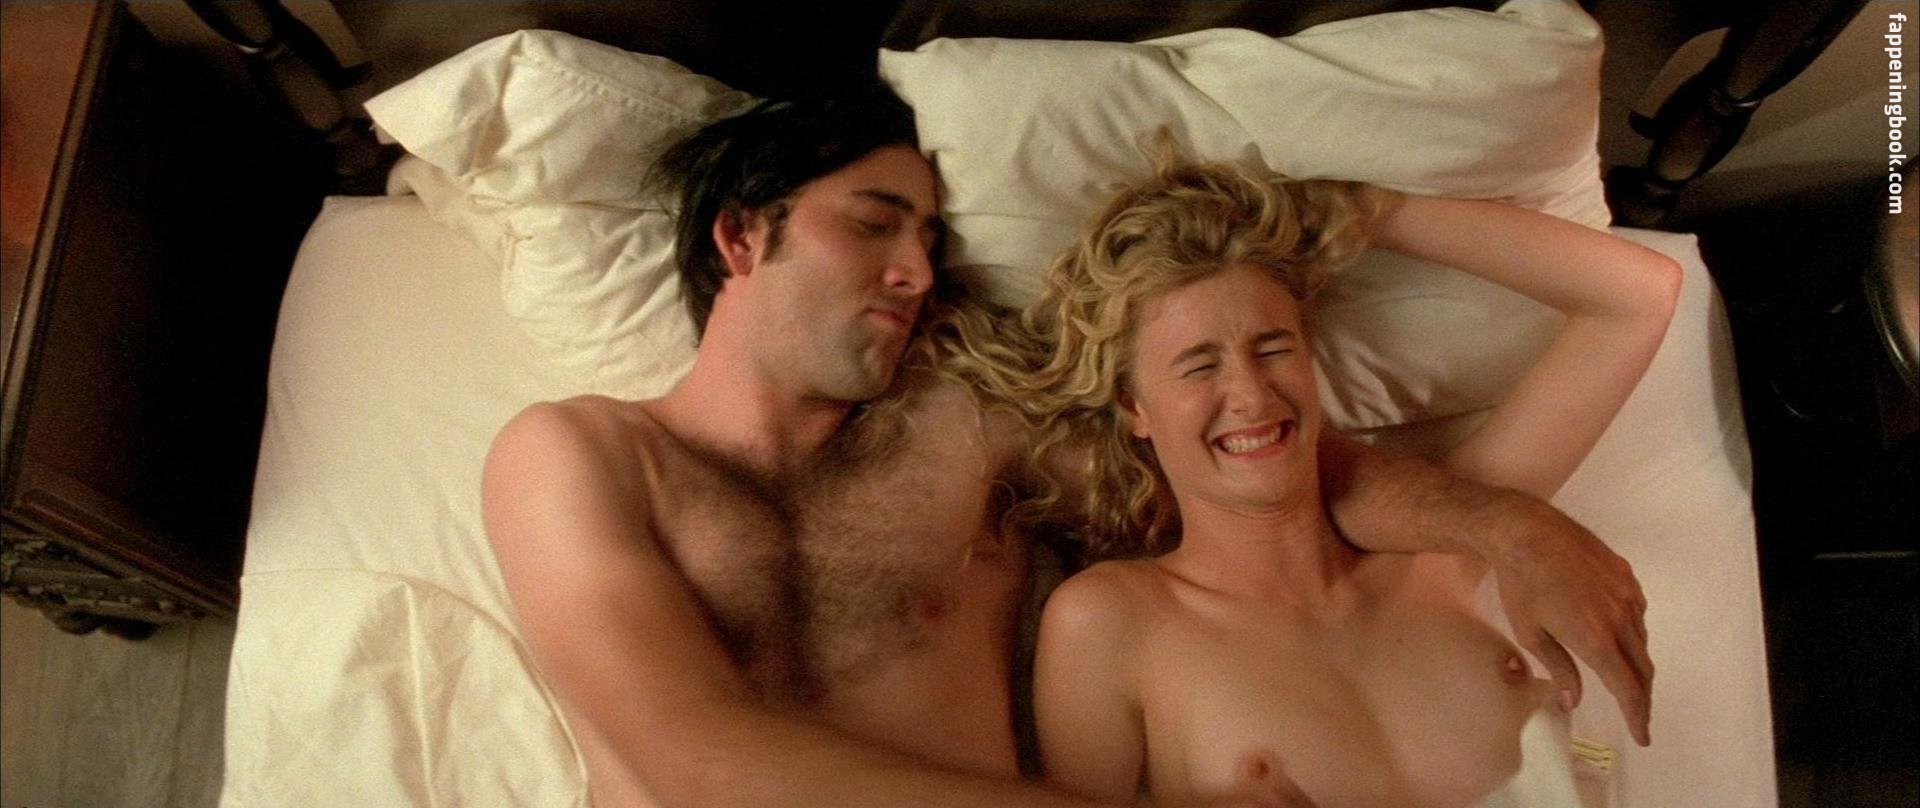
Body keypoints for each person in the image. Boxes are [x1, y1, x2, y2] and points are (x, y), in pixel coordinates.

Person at [479, 88, 1654, 808]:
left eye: (930, 237)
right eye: (875, 224)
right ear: (742, 236)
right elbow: (694, 763)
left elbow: (1249, 470)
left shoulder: (967, 425)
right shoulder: (576, 455)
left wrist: (1506, 522)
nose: (917, 270)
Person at [1018, 159, 1677, 806]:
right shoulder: (1112, 620)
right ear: (1133, 407)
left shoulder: (1449, 549)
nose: (1251, 396)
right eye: (1199, 366)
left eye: (1274, 349)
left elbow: (1639, 297)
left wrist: (1354, 210)